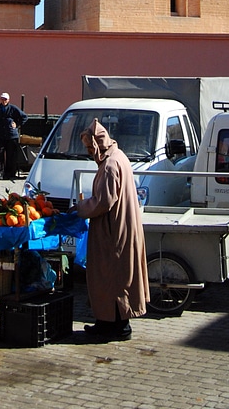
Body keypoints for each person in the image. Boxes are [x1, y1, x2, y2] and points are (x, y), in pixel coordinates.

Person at [75, 118, 149, 340]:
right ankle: (109, 324)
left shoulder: (109, 165)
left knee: (111, 277)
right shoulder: (119, 156)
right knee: (117, 277)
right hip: (122, 227)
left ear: (99, 144)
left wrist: (80, 208)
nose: (89, 152)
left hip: (113, 231)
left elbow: (104, 202)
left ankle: (114, 326)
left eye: (90, 148)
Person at [0, 92, 27, 181]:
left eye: (5, 99)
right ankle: (0, 173)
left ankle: (10, 173)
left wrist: (17, 124)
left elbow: (24, 117)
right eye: (2, 99)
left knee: (11, 155)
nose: (4, 101)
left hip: (12, 136)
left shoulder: (13, 108)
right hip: (1, 135)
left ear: (8, 100)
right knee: (0, 155)